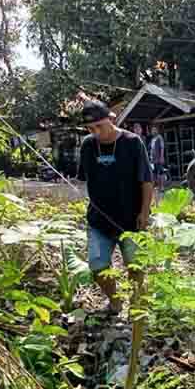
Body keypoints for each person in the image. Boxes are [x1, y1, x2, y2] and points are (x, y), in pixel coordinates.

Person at [77, 100, 154, 314]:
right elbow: (83, 178)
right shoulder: (88, 146)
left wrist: (144, 212)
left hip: (131, 220)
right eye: (90, 129)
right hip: (99, 220)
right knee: (98, 266)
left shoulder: (132, 142)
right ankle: (115, 301)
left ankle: (136, 306)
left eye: (99, 126)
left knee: (135, 267)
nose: (96, 132)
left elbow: (146, 180)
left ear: (111, 119)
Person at [149, 125, 166, 192]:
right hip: (153, 159)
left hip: (158, 158)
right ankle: (158, 186)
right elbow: (151, 148)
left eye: (154, 130)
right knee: (155, 173)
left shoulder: (159, 137)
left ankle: (162, 187)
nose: (153, 131)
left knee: (161, 173)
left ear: (157, 130)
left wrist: (161, 157)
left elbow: (162, 147)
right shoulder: (152, 139)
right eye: (152, 130)